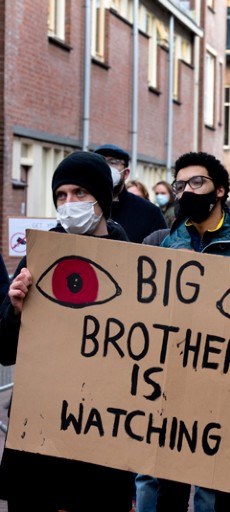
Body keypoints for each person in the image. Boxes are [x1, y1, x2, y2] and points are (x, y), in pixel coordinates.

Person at [0, 151, 134, 511]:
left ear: (101, 199)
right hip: (39, 437)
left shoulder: (133, 261)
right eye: (61, 195)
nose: (69, 203)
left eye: (79, 193)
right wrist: (14, 311)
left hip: (102, 438)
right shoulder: (40, 256)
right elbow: (4, 350)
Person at [155, 152, 230, 511]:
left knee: (220, 489)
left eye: (196, 183)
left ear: (219, 190)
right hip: (173, 386)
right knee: (167, 488)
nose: (186, 191)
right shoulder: (163, 243)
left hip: (228, 389)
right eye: (180, 185)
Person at [93, 143, 167, 243]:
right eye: (101, 162)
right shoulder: (84, 207)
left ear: (126, 173)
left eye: (113, 162)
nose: (106, 167)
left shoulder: (149, 213)